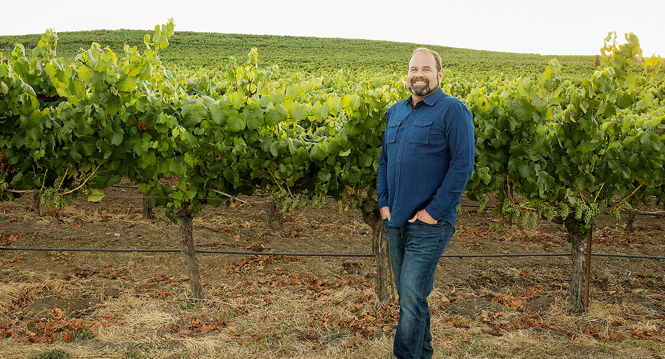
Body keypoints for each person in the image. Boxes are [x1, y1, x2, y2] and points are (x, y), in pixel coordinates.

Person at [377, 47, 475, 359]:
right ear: (407, 75)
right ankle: (424, 353)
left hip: (430, 223)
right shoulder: (396, 112)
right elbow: (384, 161)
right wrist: (383, 203)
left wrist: (433, 213)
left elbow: (463, 165)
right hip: (395, 220)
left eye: (426, 69)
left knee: (410, 293)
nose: (418, 74)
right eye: (413, 69)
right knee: (412, 297)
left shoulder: (453, 110)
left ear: (439, 75)